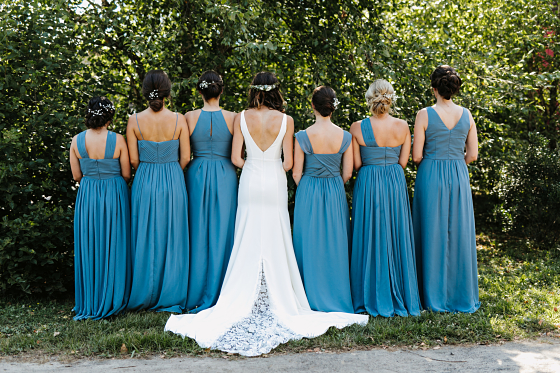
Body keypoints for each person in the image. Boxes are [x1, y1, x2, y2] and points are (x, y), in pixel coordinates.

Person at [165, 72, 368, 356]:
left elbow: (236, 158)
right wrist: (268, 163)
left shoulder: (241, 117)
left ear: (254, 91)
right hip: (273, 180)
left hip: (250, 180)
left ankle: (243, 291)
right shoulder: (287, 121)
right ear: (276, 92)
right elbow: (288, 163)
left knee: (246, 234)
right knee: (276, 234)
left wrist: (253, 163)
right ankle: (278, 292)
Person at [349, 79, 421, 317]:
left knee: (369, 232)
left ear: (370, 98)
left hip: (368, 180)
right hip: (394, 180)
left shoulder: (357, 127)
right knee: (395, 232)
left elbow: (357, 164)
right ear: (391, 99)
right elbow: (403, 162)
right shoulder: (403, 126)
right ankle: (398, 291)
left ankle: (368, 293)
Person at [412, 65, 480, 313]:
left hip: (431, 174)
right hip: (458, 174)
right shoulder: (467, 114)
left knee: (431, 231)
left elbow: (417, 156)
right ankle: (459, 295)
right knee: (459, 232)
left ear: (434, 89)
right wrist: (455, 163)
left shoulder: (425, 114)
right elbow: (472, 154)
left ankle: (431, 295)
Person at [126, 70, 191, 313]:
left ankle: (144, 293)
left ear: (145, 92)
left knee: (145, 235)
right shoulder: (178, 119)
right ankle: (171, 293)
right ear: (167, 93)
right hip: (173, 178)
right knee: (172, 236)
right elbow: (185, 157)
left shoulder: (134, 121)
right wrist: (171, 168)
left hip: (145, 179)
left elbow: (133, 161)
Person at [292, 86, 354, 313]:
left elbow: (296, 173)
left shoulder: (302, 136)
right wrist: (332, 184)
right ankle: (336, 293)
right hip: (334, 189)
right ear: (333, 107)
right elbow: (347, 173)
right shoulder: (346, 136)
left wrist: (310, 185)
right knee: (335, 241)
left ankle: (305, 296)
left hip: (309, 189)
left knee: (307, 240)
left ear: (313, 106)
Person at [70, 96, 131, 320]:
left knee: (91, 243)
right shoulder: (118, 139)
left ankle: (91, 300)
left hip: (88, 194)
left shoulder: (76, 141)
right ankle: (113, 297)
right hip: (114, 192)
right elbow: (126, 174)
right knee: (114, 243)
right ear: (109, 116)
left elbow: (76, 175)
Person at [184, 71, 238, 313]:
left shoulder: (188, 117)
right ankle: (223, 289)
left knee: (197, 230)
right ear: (221, 91)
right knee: (224, 231)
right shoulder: (234, 117)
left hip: (196, 174)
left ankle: (195, 289)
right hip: (226, 174)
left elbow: (184, 154)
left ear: (200, 91)